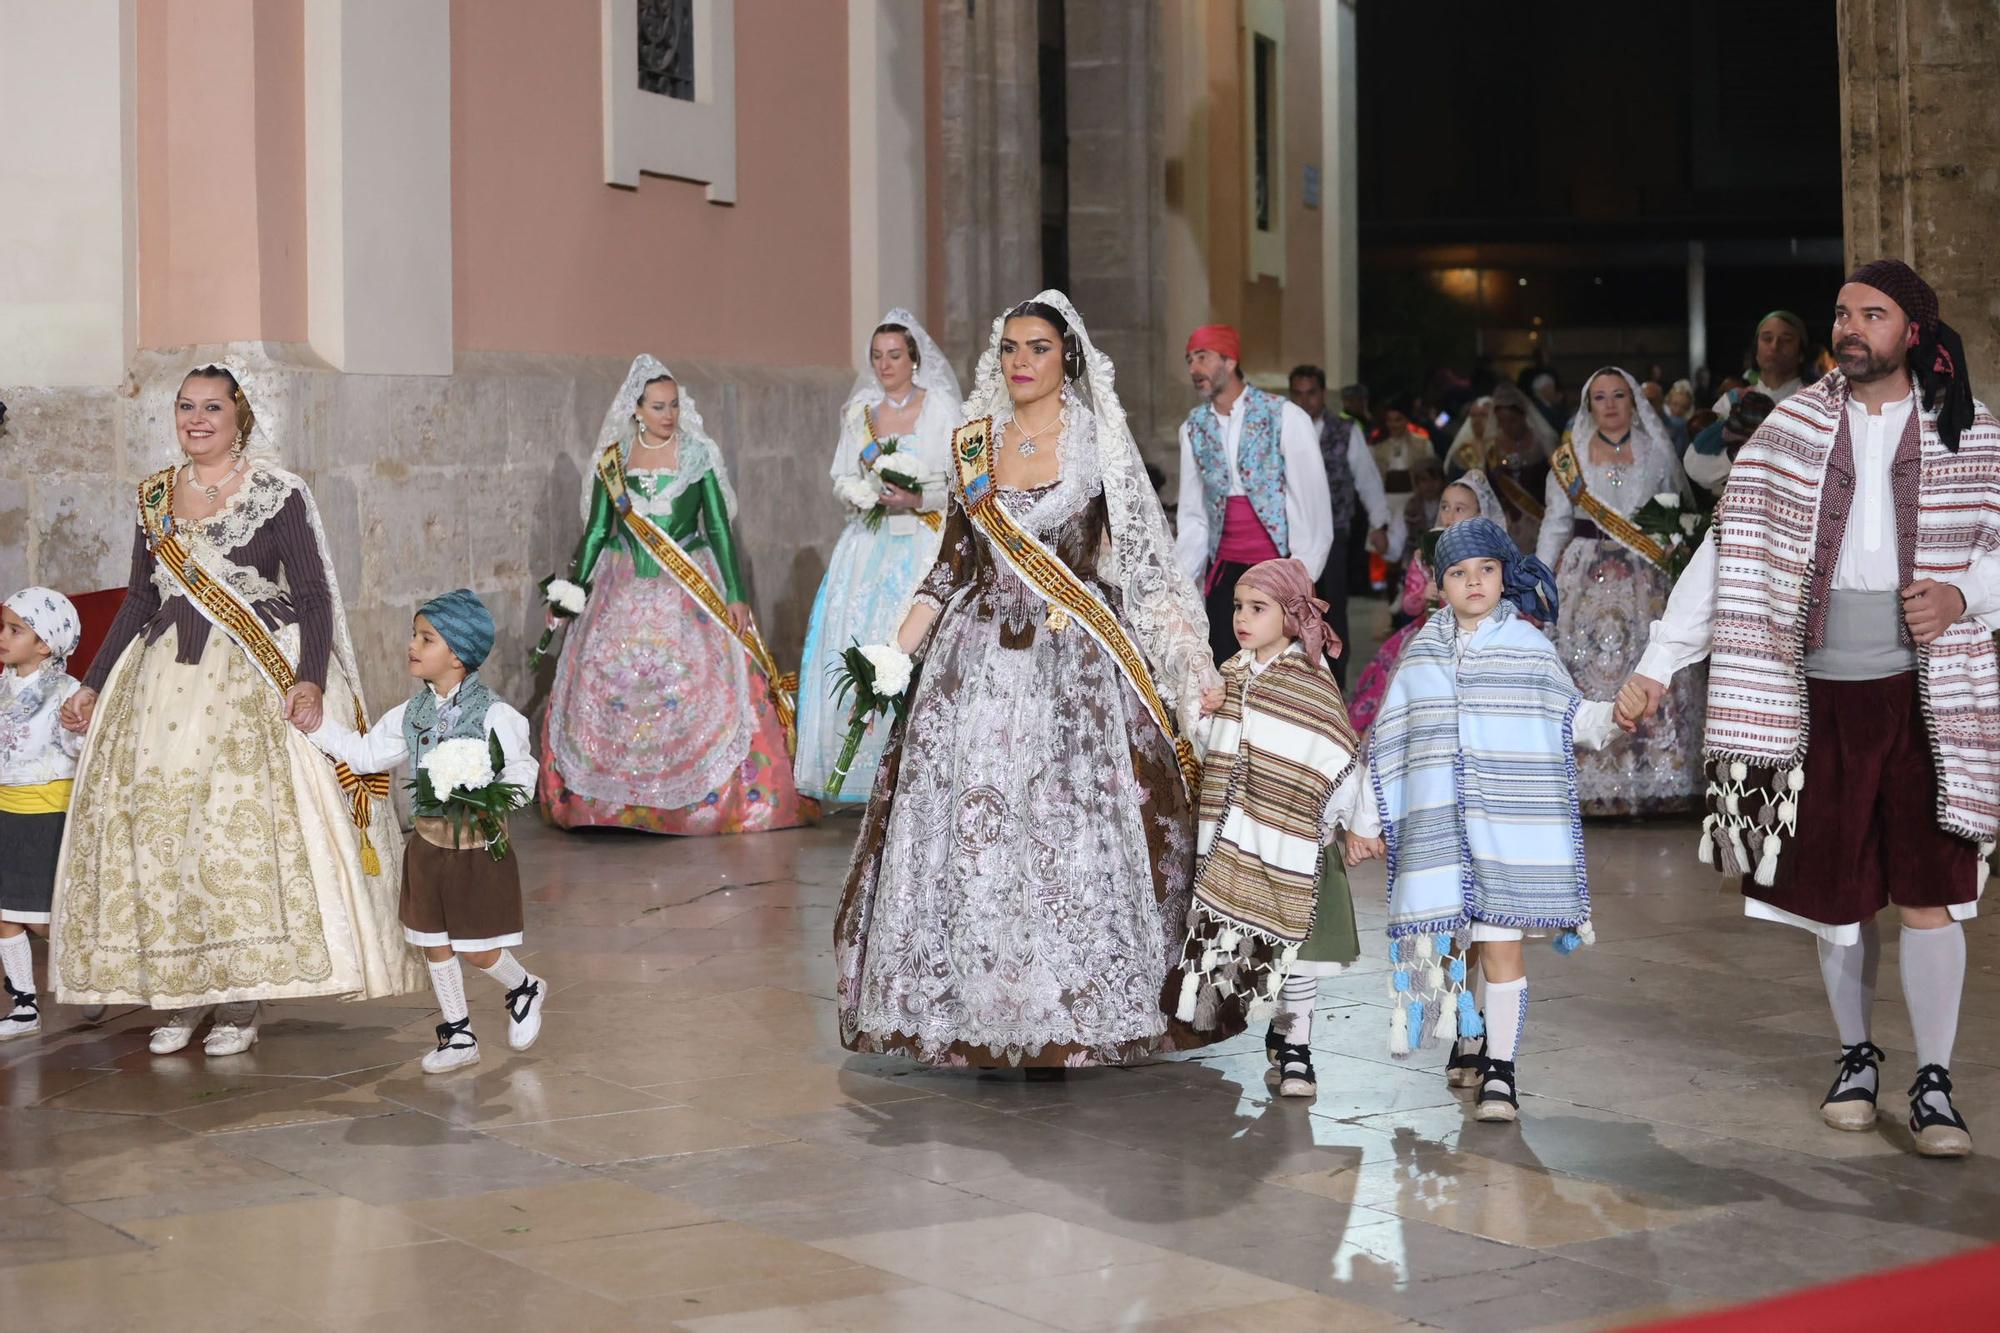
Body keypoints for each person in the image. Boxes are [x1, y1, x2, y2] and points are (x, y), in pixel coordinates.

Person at [1619, 260, 1999, 1157]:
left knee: (1931, 893)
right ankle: (1856, 1056)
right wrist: (1658, 662)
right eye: (1842, 313)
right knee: (1838, 898)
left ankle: (1934, 1080)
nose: (1850, 328)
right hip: (1814, 695)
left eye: (1872, 313)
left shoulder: (1972, 435)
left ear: (1915, 329)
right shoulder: (1787, 429)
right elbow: (1728, 550)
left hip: (1927, 696)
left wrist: (1966, 596)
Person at [836, 292, 1219, 1071]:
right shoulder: (971, 445)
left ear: (1067, 357)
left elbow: (1148, 576)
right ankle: (977, 1004)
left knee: (1067, 826)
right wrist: (895, 653)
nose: (1020, 361)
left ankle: (1072, 1004)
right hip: (975, 666)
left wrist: (1192, 668)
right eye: (1010, 347)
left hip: (1076, 670)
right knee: (977, 834)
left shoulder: (1099, 446)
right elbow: (949, 570)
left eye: (1037, 348)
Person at [51, 360, 418, 1055]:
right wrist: (93, 683)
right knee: (165, 836)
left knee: (227, 833)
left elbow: (312, 596)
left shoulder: (276, 493)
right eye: (186, 407)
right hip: (161, 684)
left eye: (211, 408)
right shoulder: (154, 496)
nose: (196, 419)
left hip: (251, 680)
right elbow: (138, 597)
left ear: (238, 417)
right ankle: (181, 993)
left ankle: (239, 1000)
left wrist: (308, 680)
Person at [1349, 517, 1619, 1123]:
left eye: (1486, 571)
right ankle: (1470, 1037)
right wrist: (1368, 820)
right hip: (1442, 835)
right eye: (1459, 574)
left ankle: (1502, 1069)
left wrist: (1612, 717)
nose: (1474, 583)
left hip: (1506, 831)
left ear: (1503, 576)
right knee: (1457, 946)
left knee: (1501, 947)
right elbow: (1390, 737)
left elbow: (1567, 717)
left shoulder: (1528, 648)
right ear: (1438, 585)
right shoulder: (1421, 654)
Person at [538, 356, 812, 835]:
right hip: (620, 588)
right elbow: (599, 531)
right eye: (659, 407)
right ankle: (607, 805)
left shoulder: (698, 456)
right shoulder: (613, 461)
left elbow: (719, 530)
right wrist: (571, 591)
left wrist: (737, 592)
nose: (669, 415)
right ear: (637, 410)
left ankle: (696, 802)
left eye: (674, 406)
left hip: (687, 585)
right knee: (611, 677)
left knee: (690, 680)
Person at [308, 591, 544, 1074]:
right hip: (428, 846)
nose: (412, 645)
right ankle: (459, 1034)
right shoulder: (410, 713)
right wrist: (315, 726)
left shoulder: (495, 715)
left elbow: (522, 773)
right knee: (434, 942)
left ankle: (523, 987)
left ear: (456, 654)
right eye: (414, 636)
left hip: (476, 848)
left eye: (426, 638)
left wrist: (490, 795)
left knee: (477, 948)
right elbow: (367, 754)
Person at [1168, 558, 1366, 1099]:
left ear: (1292, 614)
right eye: (1237, 607)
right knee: (1261, 950)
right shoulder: (1229, 675)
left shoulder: (1311, 683)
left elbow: (1336, 755)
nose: (1242, 618)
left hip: (1295, 844)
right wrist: (1206, 711)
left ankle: (1298, 1051)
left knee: (1301, 952)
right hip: (1235, 843)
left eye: (1258, 608)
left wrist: (1360, 823)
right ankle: (1283, 1030)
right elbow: (1211, 750)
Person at [796, 312, 963, 802]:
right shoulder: (860, 414)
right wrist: (866, 493)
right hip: (869, 545)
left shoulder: (941, 408)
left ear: (914, 358)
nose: (885, 364)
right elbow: (842, 477)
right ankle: (856, 768)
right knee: (856, 633)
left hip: (922, 540)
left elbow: (957, 480)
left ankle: (921, 764)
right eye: (876, 356)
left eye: (894, 355)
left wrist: (918, 499)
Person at [1538, 367, 1702, 817]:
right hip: (1583, 575)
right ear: (1588, 406)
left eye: (1618, 396)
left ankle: (1656, 783)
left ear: (1634, 402)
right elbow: (1555, 523)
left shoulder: (1656, 451)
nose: (1610, 405)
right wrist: (1537, 583)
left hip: (1643, 578)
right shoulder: (1568, 457)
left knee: (1645, 665)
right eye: (1600, 398)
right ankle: (1589, 785)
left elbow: (1679, 513)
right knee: (1583, 670)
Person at [1174, 327, 1333, 664]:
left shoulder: (1284, 415)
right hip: (1225, 576)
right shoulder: (1192, 427)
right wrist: (1182, 579)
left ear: (1230, 360)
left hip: (1276, 568)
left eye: (1202, 357)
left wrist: (1302, 575)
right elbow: (1193, 513)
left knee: (1280, 668)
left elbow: (1310, 499)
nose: (1193, 369)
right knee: (1225, 665)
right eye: (1189, 360)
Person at [1349, 471, 1506, 732]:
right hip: (1430, 635)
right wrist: (1424, 595)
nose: (1449, 515)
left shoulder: (1490, 557)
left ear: (1479, 514)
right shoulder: (1427, 554)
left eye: (1460, 508)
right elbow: (1408, 606)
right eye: (1445, 507)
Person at [0, 589, 85, 1040]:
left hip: (44, 813)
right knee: (4, 913)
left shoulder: (66, 691)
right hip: (5, 810)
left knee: (40, 918)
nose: (3, 636)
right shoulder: (2, 685)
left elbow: (75, 747)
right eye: (3, 627)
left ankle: (92, 972)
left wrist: (80, 728)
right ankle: (24, 1007)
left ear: (46, 643)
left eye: (16, 629)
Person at [1289, 365, 1390, 687]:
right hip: (1291, 533)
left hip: (1334, 532)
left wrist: (1379, 522)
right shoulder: (1281, 429)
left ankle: (1335, 680)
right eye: (1298, 393)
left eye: (1312, 393)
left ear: (1323, 394)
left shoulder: (1345, 430)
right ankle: (1296, 678)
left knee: (1331, 604)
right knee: (1291, 605)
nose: (1305, 401)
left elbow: (1367, 478)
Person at [1685, 311, 1811, 494]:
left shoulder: (1816, 403)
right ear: (1756, 353)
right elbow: (1697, 467)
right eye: (1767, 339)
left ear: (1801, 354)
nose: (1775, 346)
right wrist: (1739, 453)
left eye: (1787, 340)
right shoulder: (1732, 402)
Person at [1450, 381, 1552, 555]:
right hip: (1506, 525)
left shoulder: (1542, 444)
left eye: (1512, 420)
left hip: (1540, 521)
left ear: (1523, 416)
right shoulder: (1493, 449)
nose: (1507, 425)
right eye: (1502, 421)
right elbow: (1489, 489)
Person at [1662, 379, 1697, 451]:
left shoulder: (1688, 428)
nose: (1677, 410)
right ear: (1668, 402)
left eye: (1683, 407)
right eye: (1675, 404)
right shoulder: (1659, 421)